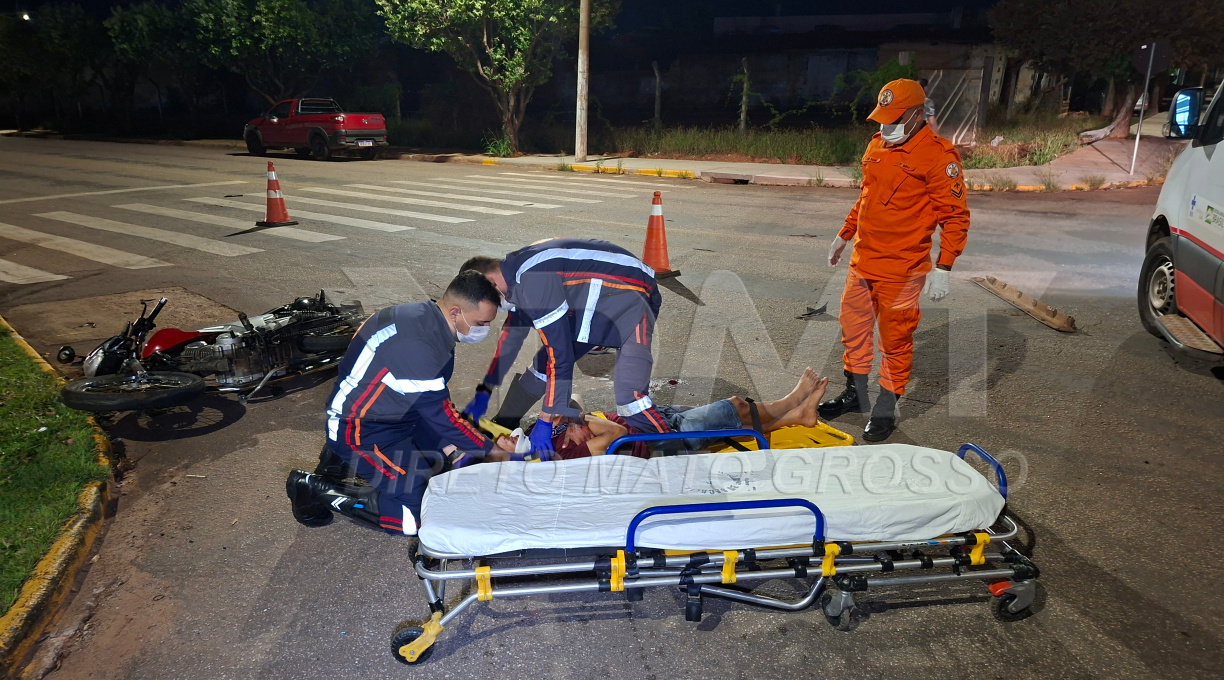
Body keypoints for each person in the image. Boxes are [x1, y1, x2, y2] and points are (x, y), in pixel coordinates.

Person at [285, 271, 518, 536]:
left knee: (444, 468)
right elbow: (442, 417)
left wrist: (459, 449)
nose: (484, 330)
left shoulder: (424, 319)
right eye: (481, 323)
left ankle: (339, 460)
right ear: (456, 312)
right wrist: (494, 453)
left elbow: (433, 403)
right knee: (422, 516)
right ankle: (313, 488)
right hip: (362, 430)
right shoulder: (417, 345)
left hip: (397, 415)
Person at [821, 78, 970, 442]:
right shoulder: (877, 144)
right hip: (863, 262)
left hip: (902, 271)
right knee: (853, 331)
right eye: (883, 119)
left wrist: (944, 267)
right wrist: (844, 234)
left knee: (895, 341)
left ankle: (885, 408)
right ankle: (855, 394)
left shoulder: (938, 156)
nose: (887, 126)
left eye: (895, 119)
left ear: (918, 114)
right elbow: (867, 197)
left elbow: (955, 217)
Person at [458, 238, 669, 457]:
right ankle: (506, 421)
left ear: (490, 282)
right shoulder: (514, 276)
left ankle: (673, 452)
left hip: (633, 295)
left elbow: (560, 355)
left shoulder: (533, 281)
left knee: (630, 398)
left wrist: (545, 420)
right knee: (541, 367)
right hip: (597, 300)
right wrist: (486, 392)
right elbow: (512, 339)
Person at [496, 369, 830, 459]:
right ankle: (794, 399)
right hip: (660, 440)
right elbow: (616, 435)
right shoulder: (566, 455)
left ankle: (797, 418)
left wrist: (570, 417)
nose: (506, 437)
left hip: (649, 419)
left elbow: (577, 398)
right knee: (737, 408)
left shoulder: (550, 435)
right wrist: (577, 420)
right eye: (506, 443)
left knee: (738, 423)